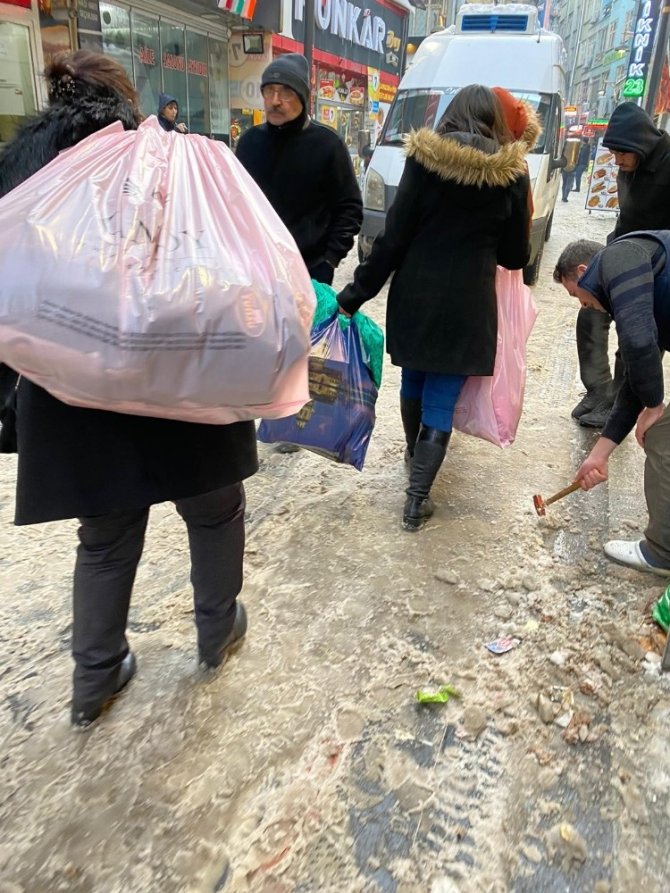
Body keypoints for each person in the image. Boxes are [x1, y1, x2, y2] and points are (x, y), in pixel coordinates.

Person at [0, 51, 257, 727]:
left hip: (70, 388)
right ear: (126, 99)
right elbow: (218, 262)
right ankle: (216, 627)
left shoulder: (23, 166)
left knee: (106, 537)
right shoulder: (164, 161)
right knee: (214, 508)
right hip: (178, 375)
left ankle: (95, 678)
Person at [336, 85, 531, 531]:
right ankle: (416, 501)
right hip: (468, 305)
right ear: (494, 124)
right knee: (441, 400)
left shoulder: (423, 163)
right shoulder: (512, 175)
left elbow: (393, 239)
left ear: (449, 115)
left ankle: (412, 455)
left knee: (414, 382)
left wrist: (355, 294)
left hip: (417, 298)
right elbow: (515, 256)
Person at [553, 234, 670, 576]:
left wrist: (654, 406)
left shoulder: (619, 257)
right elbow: (637, 371)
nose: (583, 305)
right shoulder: (645, 282)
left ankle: (661, 553)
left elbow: (636, 340)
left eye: (576, 294)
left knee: (661, 436)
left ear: (584, 270)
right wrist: (599, 454)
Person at [573, 103, 670, 429]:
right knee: (589, 313)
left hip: (655, 270)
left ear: (639, 144)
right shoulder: (629, 165)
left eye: (621, 153)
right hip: (622, 254)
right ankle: (598, 390)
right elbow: (626, 217)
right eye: (613, 153)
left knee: (636, 338)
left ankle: (619, 402)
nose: (617, 161)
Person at [235, 53, 363, 286]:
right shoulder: (248, 144)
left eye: (285, 92)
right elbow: (235, 203)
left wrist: (329, 260)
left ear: (303, 97)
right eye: (269, 90)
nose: (275, 100)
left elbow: (349, 208)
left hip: (310, 273)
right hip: (258, 273)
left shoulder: (327, 145)